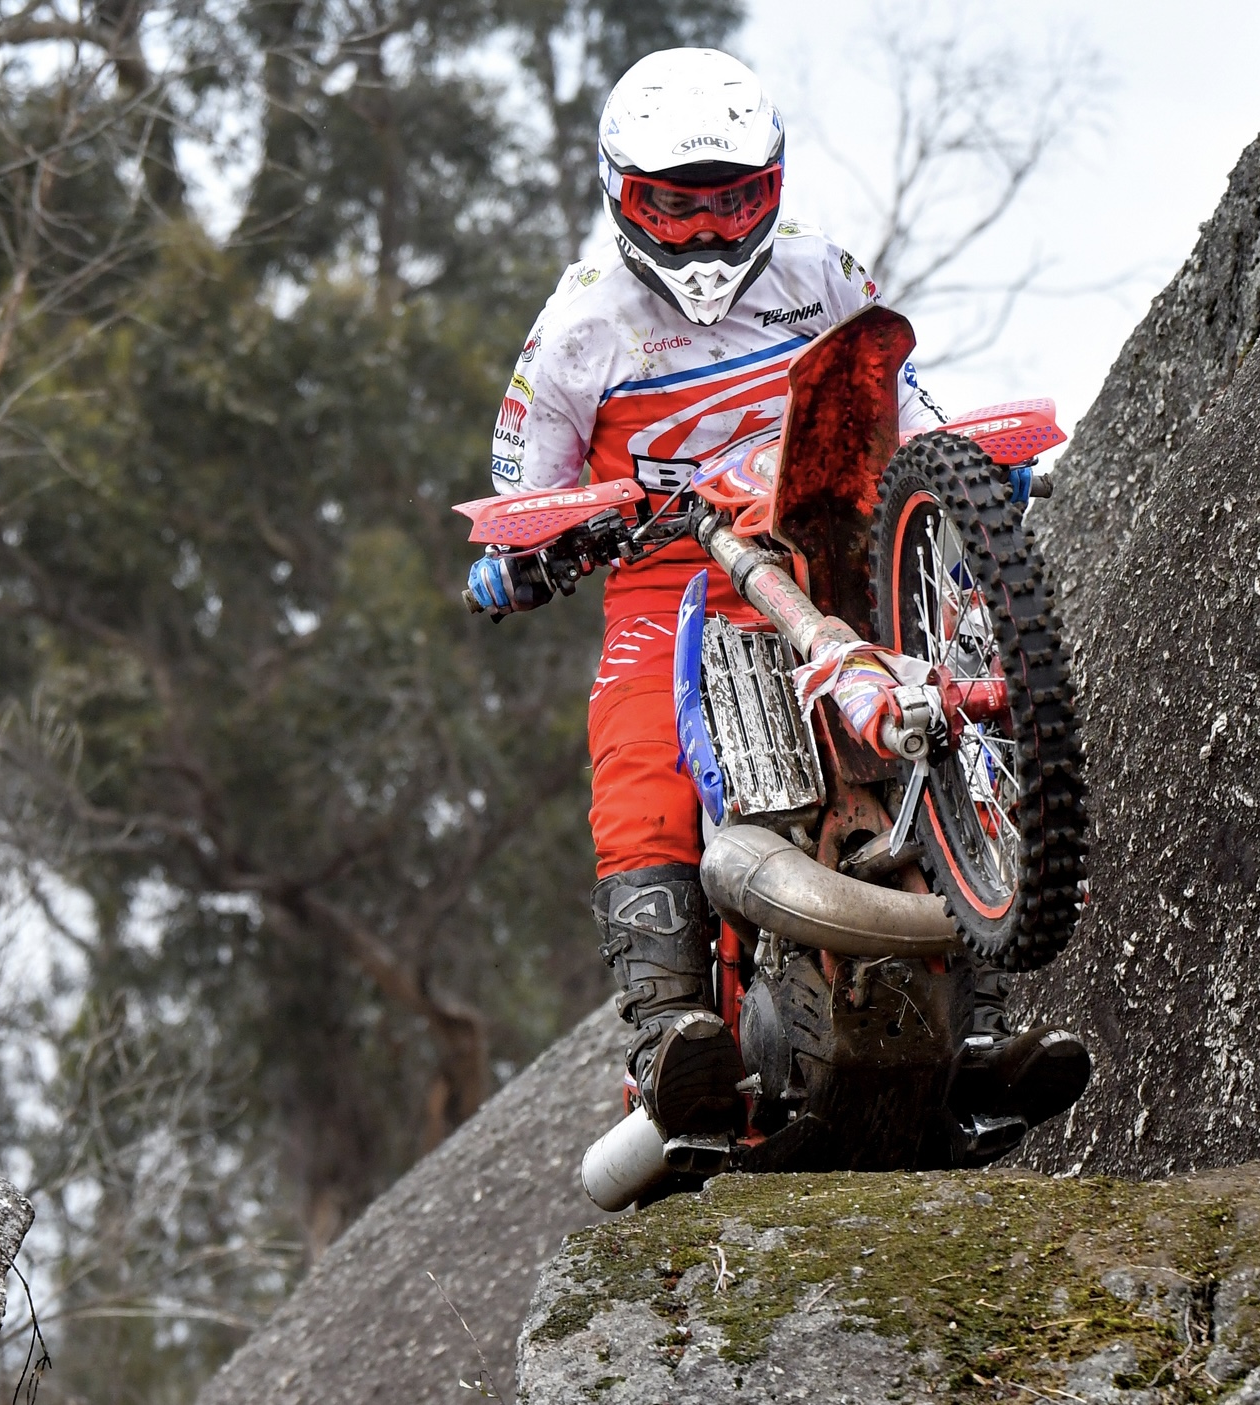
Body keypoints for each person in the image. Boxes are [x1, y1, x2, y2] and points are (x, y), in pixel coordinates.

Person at [466, 48, 945, 1137]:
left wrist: (964, 470)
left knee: (930, 707)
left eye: (735, 202)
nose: (708, 234)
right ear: (621, 197)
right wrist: (514, 555)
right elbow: (519, 494)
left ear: (773, 186)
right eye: (673, 210)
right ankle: (670, 1031)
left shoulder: (822, 274)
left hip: (823, 551)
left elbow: (908, 405)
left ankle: (980, 1000)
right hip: (666, 578)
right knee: (640, 765)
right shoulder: (582, 322)